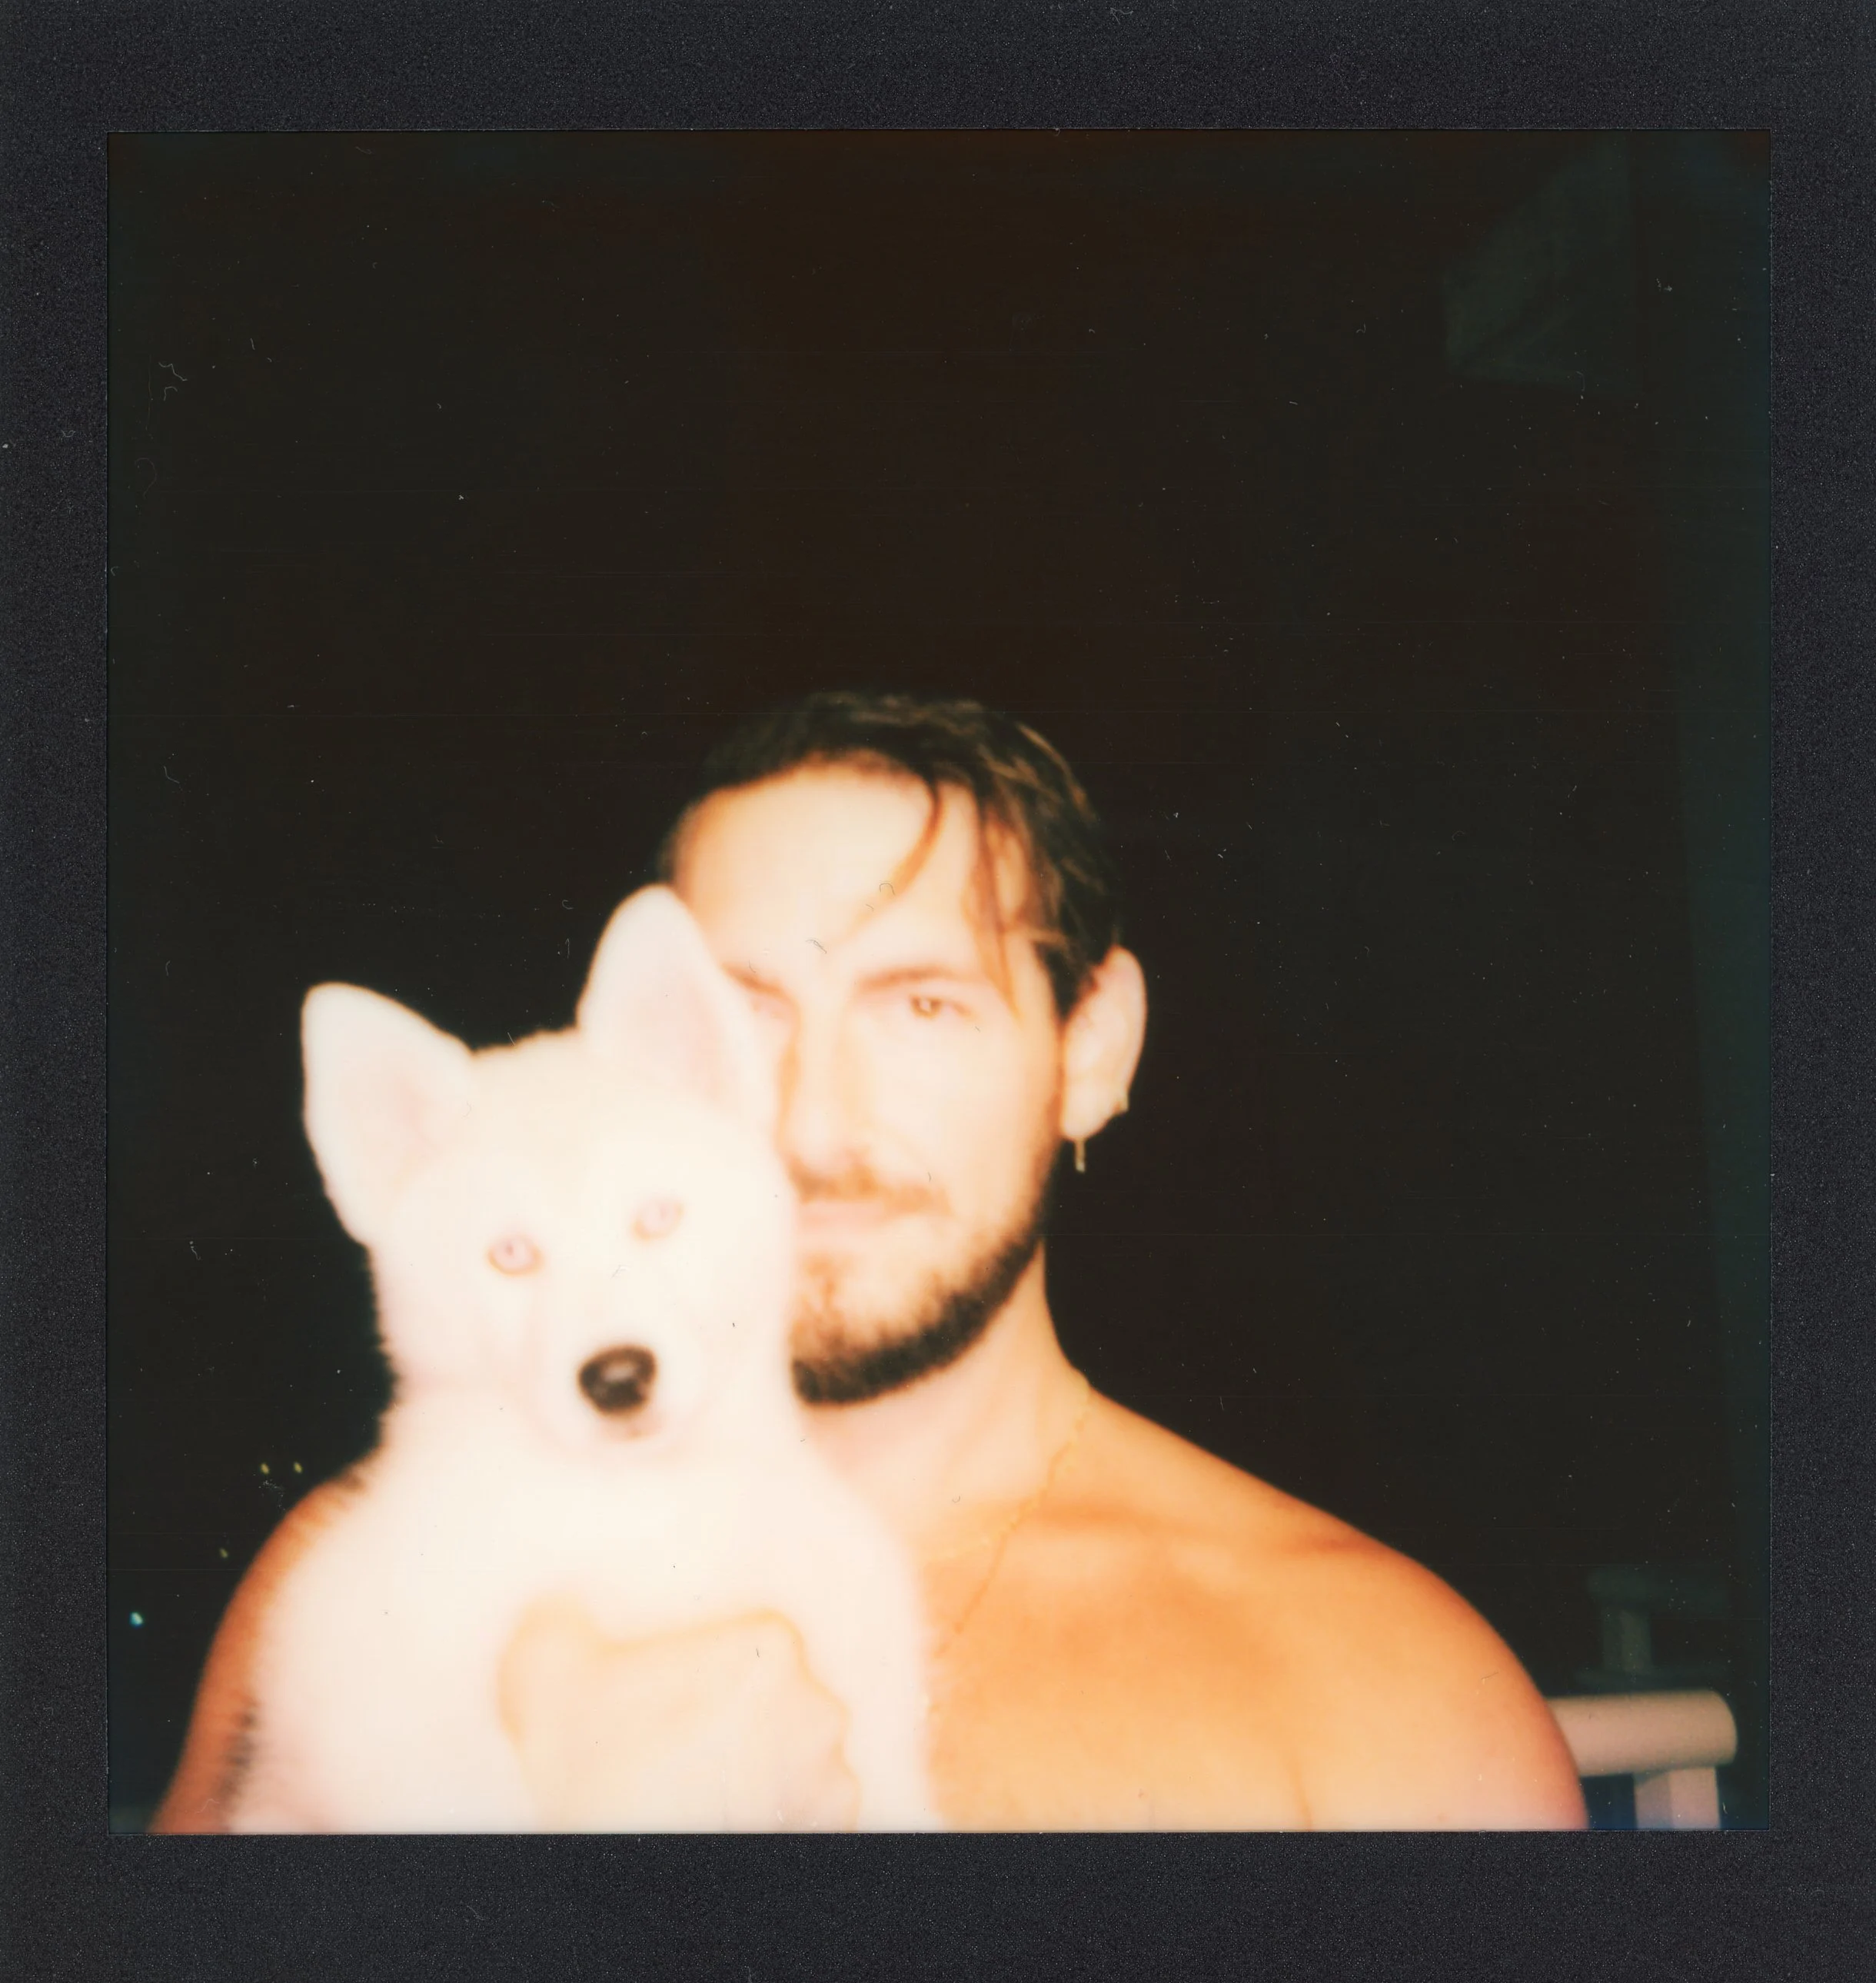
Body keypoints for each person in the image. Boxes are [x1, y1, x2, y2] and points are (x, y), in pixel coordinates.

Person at [155, 692, 1586, 1832]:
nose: (813, 1119)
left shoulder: (1390, 1701)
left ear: (1091, 1048)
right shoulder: (345, 1595)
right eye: (745, 1009)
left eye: (920, 1004)